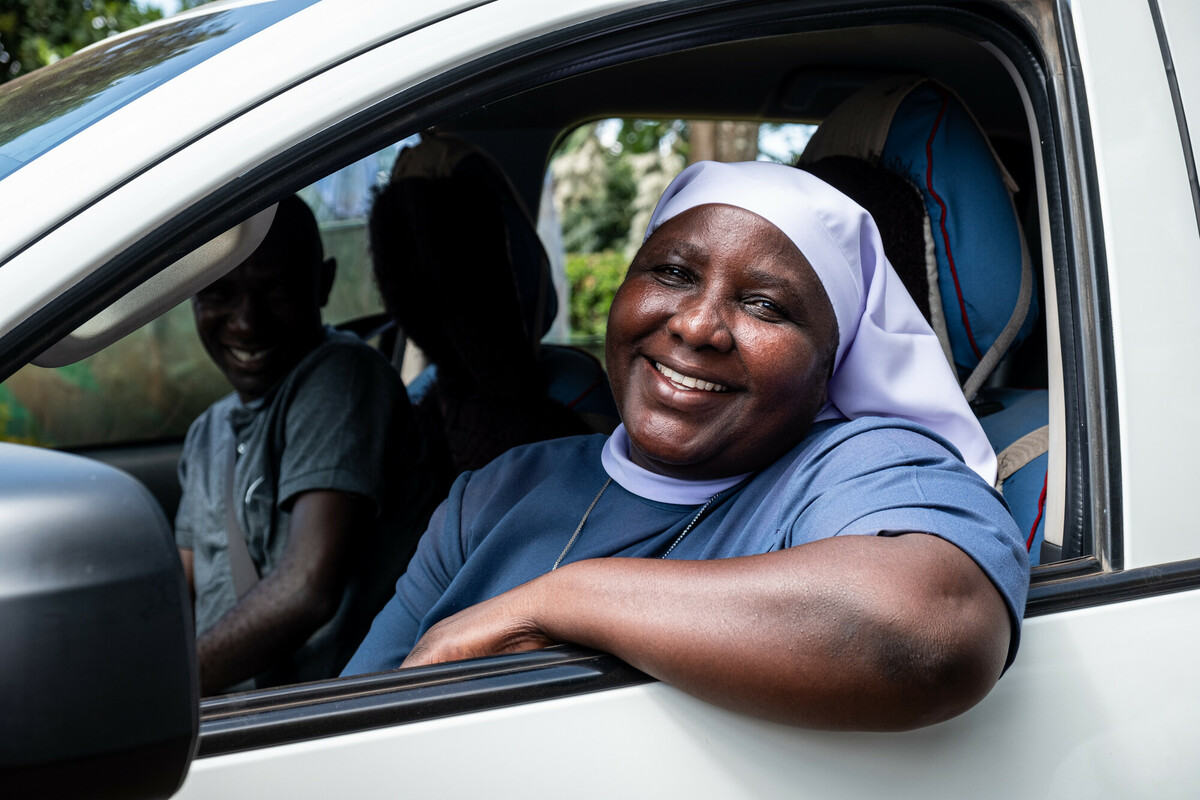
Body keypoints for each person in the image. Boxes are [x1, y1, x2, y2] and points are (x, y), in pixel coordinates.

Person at [343, 162, 1029, 731]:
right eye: (672, 272)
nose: (699, 326)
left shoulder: (860, 467)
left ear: (831, 367)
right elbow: (346, 725)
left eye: (765, 305)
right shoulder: (499, 491)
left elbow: (931, 629)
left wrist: (558, 600)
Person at [176, 195, 438, 694]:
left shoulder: (341, 379)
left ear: (324, 283)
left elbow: (306, 588)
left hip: (312, 718)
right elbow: (179, 591)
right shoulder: (206, 432)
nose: (245, 321)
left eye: (275, 289)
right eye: (219, 293)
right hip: (218, 717)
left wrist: (166, 694)